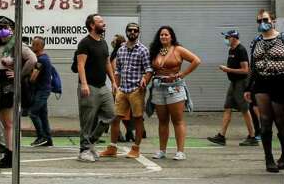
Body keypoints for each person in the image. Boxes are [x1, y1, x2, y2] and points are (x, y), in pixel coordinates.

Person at [244, 9, 284, 172]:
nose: (262, 23)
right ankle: (268, 158)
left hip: (281, 81)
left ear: (273, 20)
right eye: (259, 21)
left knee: (280, 120)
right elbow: (252, 66)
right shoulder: (256, 41)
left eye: (265, 19)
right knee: (265, 120)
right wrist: (248, 87)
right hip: (261, 83)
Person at [0, 15, 37, 169]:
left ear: (12, 29)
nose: (3, 30)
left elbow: (33, 59)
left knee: (8, 123)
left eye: (6, 27)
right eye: (0, 27)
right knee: (3, 121)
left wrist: (19, 74)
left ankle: (10, 155)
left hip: (7, 85)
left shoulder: (16, 44)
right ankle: (9, 153)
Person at [148, 24, 201, 161]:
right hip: (159, 87)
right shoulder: (155, 50)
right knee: (162, 121)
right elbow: (150, 69)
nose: (163, 37)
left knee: (177, 120)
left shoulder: (178, 49)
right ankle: (162, 150)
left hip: (175, 88)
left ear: (171, 37)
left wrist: (182, 74)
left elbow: (196, 60)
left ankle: (180, 151)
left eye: (166, 34)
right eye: (161, 35)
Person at [74, 14, 117, 162]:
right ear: (92, 25)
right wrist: (84, 84)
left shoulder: (103, 42)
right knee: (88, 120)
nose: (103, 24)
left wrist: (113, 82)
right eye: (100, 22)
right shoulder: (85, 43)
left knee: (111, 114)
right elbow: (80, 65)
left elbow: (107, 64)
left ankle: (91, 141)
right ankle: (84, 151)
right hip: (89, 86)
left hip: (102, 86)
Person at [109, 22, 152, 158]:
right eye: (130, 30)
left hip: (136, 90)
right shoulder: (121, 49)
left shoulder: (143, 50)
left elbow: (149, 69)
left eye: (135, 30)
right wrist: (115, 86)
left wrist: (145, 80)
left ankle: (136, 148)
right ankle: (112, 147)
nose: (132, 32)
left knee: (138, 119)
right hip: (122, 89)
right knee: (115, 118)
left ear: (138, 33)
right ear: (126, 32)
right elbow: (118, 70)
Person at [208, 30, 258, 146]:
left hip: (241, 83)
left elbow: (246, 70)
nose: (225, 39)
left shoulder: (241, 50)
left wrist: (228, 70)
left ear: (234, 38)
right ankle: (221, 136)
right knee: (227, 107)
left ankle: (252, 137)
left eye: (227, 37)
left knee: (245, 110)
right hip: (233, 82)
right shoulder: (231, 50)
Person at [27, 36, 55, 147]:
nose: (32, 46)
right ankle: (48, 139)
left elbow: (33, 78)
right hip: (44, 90)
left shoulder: (41, 60)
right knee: (43, 115)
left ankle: (41, 136)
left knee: (32, 113)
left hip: (41, 91)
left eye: (34, 44)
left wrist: (26, 74)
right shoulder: (44, 58)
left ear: (39, 46)